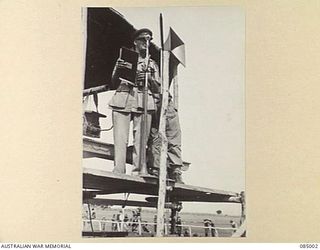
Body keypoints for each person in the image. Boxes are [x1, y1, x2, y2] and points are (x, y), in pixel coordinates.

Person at [109, 28, 160, 175]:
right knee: (120, 138)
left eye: (149, 39)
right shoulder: (125, 58)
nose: (147, 42)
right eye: (143, 39)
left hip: (144, 100)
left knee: (141, 139)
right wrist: (118, 69)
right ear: (135, 42)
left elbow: (158, 89)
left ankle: (138, 171)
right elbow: (113, 83)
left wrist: (149, 79)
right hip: (123, 98)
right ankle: (119, 170)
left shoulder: (152, 64)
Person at [147, 95, 184, 183]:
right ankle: (160, 169)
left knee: (162, 138)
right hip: (157, 102)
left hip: (160, 103)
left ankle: (172, 171)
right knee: (159, 138)